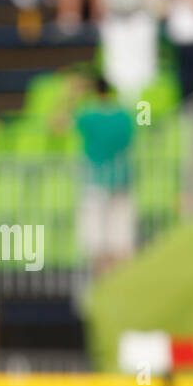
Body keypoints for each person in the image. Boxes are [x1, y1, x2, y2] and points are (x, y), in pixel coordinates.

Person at [72, 73, 135, 276]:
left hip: (95, 179)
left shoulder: (89, 116)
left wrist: (72, 96)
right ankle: (121, 280)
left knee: (97, 238)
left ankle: (102, 277)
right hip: (122, 177)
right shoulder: (124, 115)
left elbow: (56, 124)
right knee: (121, 235)